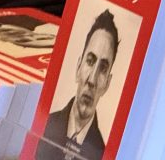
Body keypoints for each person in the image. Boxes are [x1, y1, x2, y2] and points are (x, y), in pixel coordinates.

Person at [37, 9, 119, 160]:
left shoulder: (103, 155)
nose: (92, 80)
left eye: (103, 68)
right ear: (78, 67)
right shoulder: (42, 126)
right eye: (90, 61)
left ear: (107, 83)